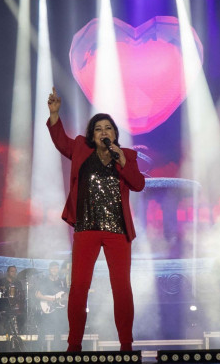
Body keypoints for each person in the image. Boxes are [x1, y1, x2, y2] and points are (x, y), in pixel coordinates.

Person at [46, 86, 146, 351]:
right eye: (99, 128)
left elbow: (138, 185)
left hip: (117, 230)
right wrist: (55, 115)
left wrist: (123, 159)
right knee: (78, 286)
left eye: (108, 128)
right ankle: (74, 345)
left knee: (122, 288)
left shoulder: (127, 156)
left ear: (115, 134)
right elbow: (61, 142)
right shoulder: (80, 148)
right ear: (92, 134)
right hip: (87, 227)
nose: (104, 131)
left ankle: (126, 344)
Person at [34, 261, 67, 338]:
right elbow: (37, 295)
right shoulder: (43, 281)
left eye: (56, 268)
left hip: (58, 311)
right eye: (52, 268)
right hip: (46, 309)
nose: (54, 270)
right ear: (49, 269)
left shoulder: (62, 281)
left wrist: (65, 298)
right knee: (42, 333)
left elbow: (66, 295)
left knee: (58, 334)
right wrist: (51, 299)